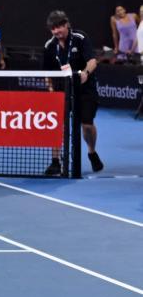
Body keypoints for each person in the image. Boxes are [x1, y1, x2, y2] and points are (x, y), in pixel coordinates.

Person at [43, 10, 102, 174]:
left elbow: (92, 61)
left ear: (66, 24)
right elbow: (46, 72)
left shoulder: (80, 38)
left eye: (59, 27)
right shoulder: (50, 46)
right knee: (56, 125)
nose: (56, 32)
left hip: (84, 90)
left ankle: (92, 152)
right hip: (61, 91)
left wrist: (85, 73)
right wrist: (50, 89)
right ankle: (55, 161)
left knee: (87, 125)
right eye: (53, 29)